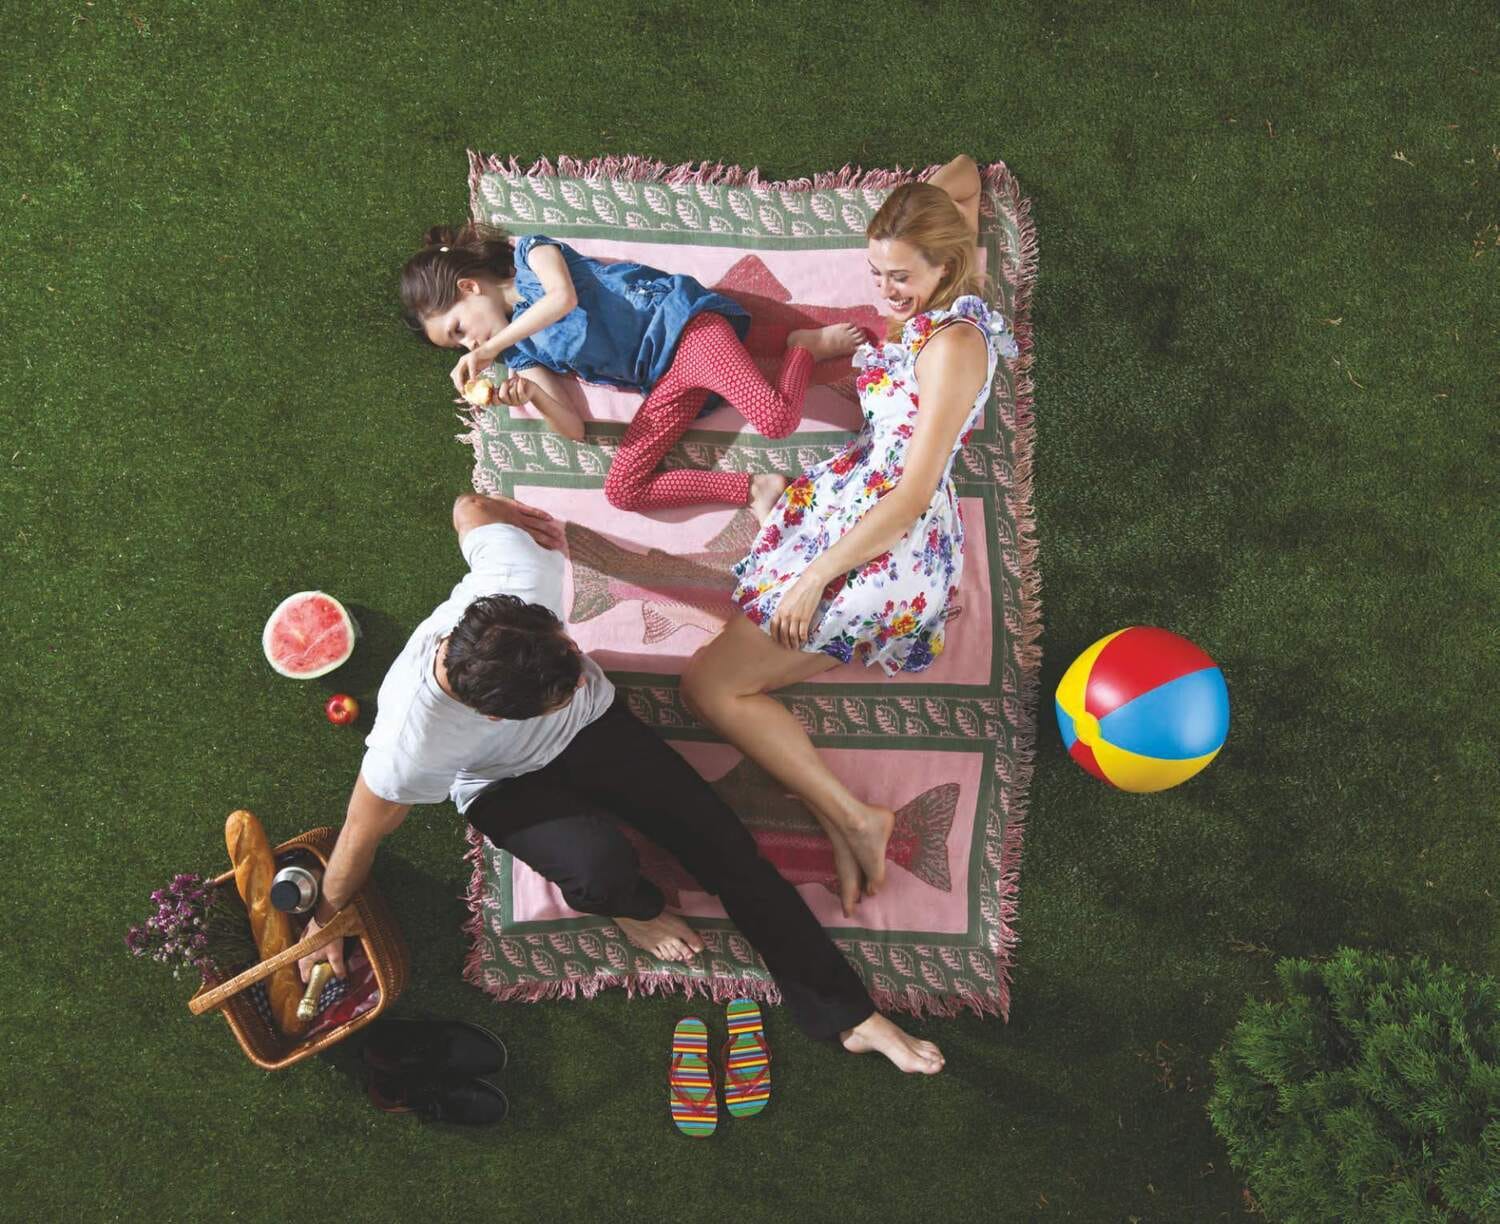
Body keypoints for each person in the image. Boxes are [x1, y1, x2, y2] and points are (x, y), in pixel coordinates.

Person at [297, 491, 944, 1074]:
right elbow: (360, 834)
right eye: (564, 683)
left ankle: (848, 1015)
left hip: (592, 728)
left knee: (724, 845)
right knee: (600, 868)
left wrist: (492, 510)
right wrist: (326, 916)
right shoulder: (410, 748)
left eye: (568, 651)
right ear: (496, 714)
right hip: (500, 783)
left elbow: (467, 508)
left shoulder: (520, 578)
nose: (581, 667)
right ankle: (634, 913)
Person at [681, 155, 1020, 918]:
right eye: (876, 272)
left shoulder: (955, 345)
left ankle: (860, 820)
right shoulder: (942, 288)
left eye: (900, 276)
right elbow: (963, 173)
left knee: (711, 686)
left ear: (946, 265)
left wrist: (814, 578)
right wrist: (915, 218)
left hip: (887, 546)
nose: (885, 291)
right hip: (856, 514)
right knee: (723, 681)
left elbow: (915, 492)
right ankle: (846, 825)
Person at [399, 227, 866, 521]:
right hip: (666, 378)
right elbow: (574, 428)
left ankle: (802, 347)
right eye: (459, 347)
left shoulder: (531, 255)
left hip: (686, 327)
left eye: (459, 330)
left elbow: (562, 299)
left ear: (469, 287)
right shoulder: (517, 352)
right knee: (623, 488)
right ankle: (755, 487)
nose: (470, 345)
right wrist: (531, 396)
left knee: (775, 420)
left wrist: (489, 348)